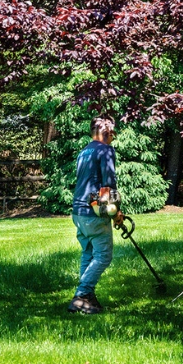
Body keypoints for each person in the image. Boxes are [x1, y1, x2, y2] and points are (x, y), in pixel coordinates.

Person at [68, 120, 125, 314]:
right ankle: (82, 295)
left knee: (89, 252)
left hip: (78, 212)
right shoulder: (105, 150)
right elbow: (108, 183)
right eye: (113, 133)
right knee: (103, 256)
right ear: (106, 131)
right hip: (93, 213)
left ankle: (87, 297)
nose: (113, 137)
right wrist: (116, 212)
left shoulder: (83, 152)